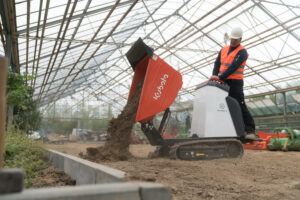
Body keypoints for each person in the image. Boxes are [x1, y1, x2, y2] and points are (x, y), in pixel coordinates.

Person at [210, 27, 256, 139]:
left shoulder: (242, 52)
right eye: (231, 39)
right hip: (223, 82)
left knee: (239, 104)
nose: (232, 41)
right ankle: (231, 130)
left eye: (235, 40)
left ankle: (250, 130)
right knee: (224, 106)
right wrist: (214, 76)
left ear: (240, 39)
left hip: (235, 83)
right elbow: (217, 64)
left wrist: (219, 77)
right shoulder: (223, 50)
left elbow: (233, 67)